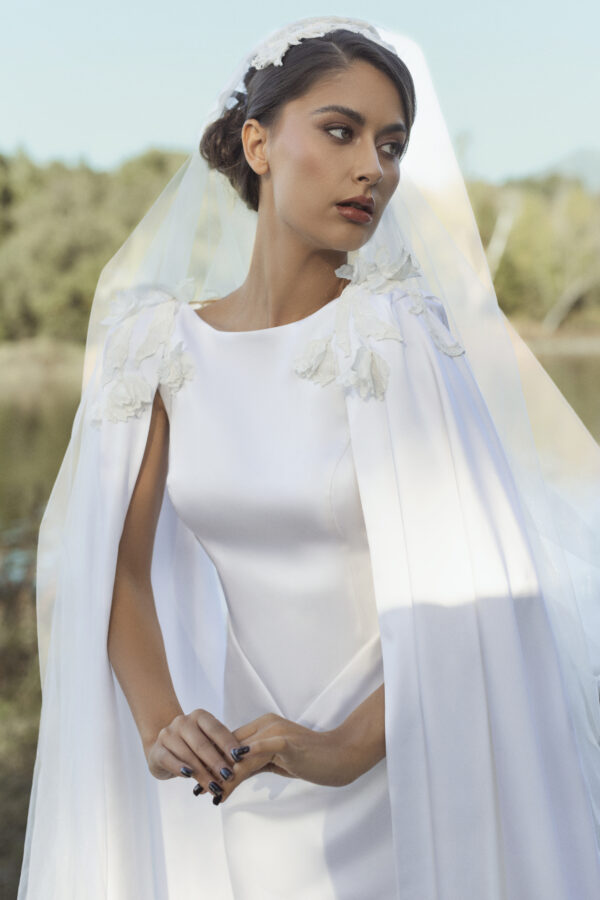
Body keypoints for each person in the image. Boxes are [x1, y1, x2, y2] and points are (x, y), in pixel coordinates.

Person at [18, 15, 600, 900]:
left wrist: (336, 750)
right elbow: (114, 569)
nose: (375, 167)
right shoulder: (158, 347)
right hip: (243, 768)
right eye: (341, 130)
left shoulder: (395, 336)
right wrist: (161, 722)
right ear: (258, 142)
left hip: (404, 760)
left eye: (393, 145)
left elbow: (485, 598)